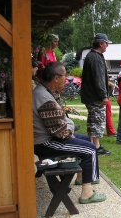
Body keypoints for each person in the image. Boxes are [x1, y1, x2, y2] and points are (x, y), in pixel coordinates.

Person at [33, 62, 106, 204]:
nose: (66, 79)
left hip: (48, 138)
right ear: (55, 78)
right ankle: (86, 193)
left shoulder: (46, 91)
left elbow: (63, 121)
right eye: (64, 75)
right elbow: (59, 132)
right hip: (45, 143)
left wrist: (68, 128)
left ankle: (82, 177)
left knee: (86, 140)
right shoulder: (45, 98)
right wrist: (69, 130)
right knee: (90, 148)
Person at [81, 33, 111, 155]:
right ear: (100, 43)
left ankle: (91, 144)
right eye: (106, 43)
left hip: (90, 95)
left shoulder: (92, 56)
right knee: (97, 120)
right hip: (95, 96)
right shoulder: (96, 58)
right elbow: (98, 79)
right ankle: (96, 146)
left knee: (92, 120)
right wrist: (103, 95)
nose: (107, 46)